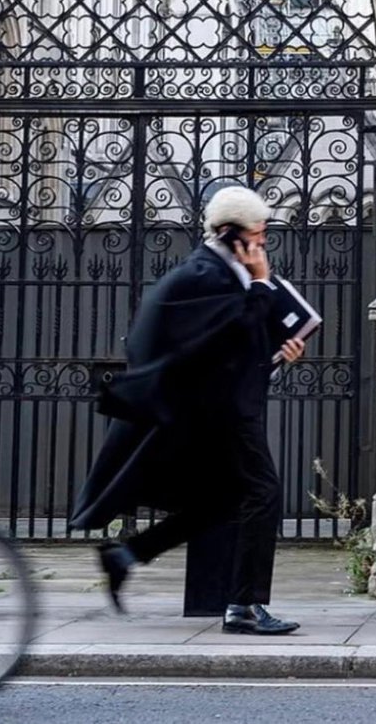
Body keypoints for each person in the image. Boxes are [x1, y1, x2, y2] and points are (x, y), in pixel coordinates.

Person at [69, 186, 305, 636]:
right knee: (264, 494)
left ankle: (126, 556)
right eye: (259, 232)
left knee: (221, 501)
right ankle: (244, 606)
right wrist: (259, 283)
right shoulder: (206, 274)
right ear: (235, 233)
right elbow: (227, 335)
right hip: (223, 414)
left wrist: (280, 352)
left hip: (222, 409)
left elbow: (233, 343)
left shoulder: (221, 271)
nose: (265, 242)